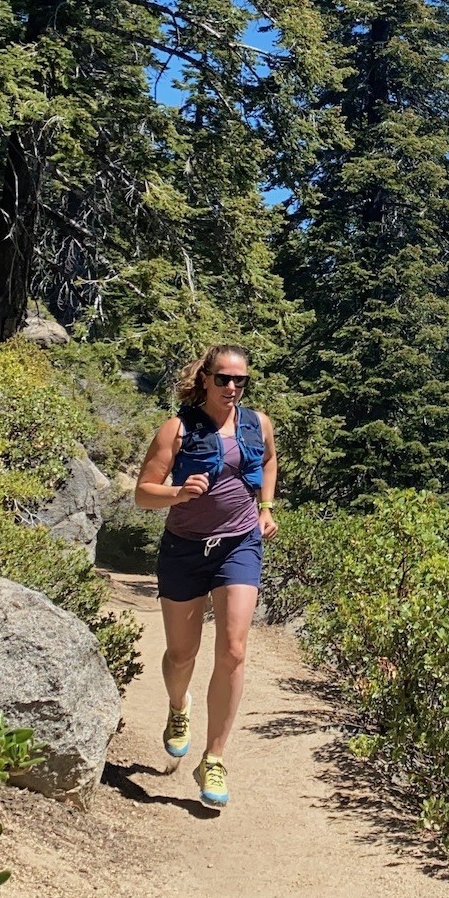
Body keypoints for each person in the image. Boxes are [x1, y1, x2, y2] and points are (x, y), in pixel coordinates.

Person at [133, 344, 276, 808]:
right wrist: (177, 493)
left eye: (240, 380)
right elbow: (143, 493)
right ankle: (179, 706)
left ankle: (214, 758)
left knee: (233, 650)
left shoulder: (257, 424)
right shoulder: (176, 430)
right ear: (206, 379)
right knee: (182, 654)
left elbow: (267, 461)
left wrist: (266, 507)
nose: (232, 387)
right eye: (223, 379)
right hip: (185, 549)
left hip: (240, 545)